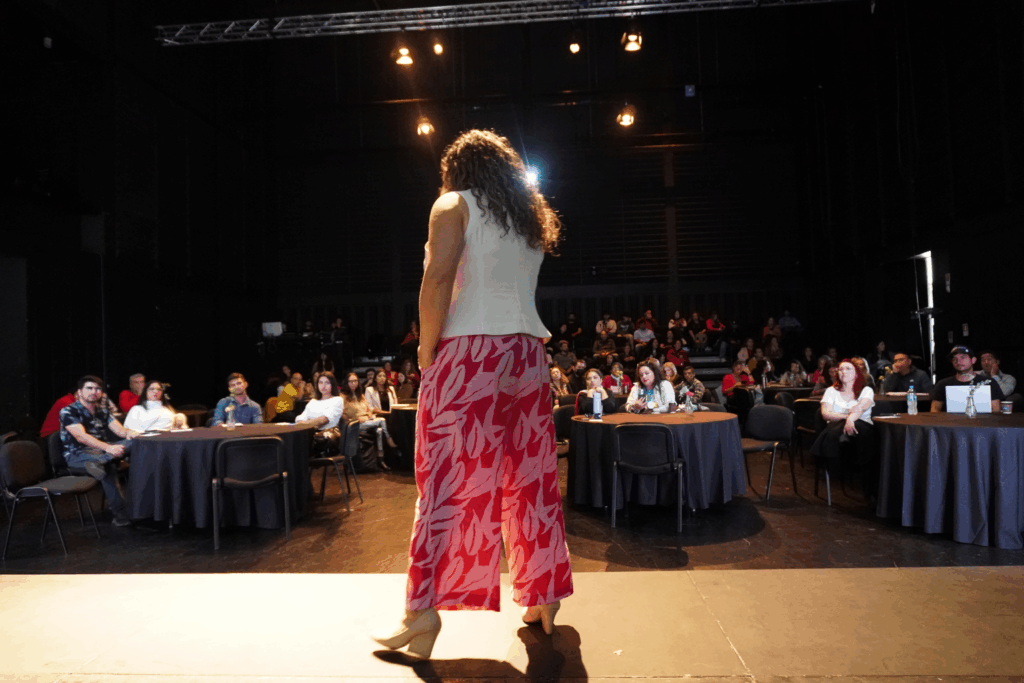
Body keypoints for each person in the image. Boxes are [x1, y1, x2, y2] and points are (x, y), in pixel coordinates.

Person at [374, 130, 572, 657]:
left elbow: (437, 282)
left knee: (445, 481)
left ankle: (421, 612)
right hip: (528, 356)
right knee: (531, 479)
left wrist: (424, 354)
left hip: (469, 355)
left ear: (455, 170)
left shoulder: (452, 204)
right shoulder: (527, 215)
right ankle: (543, 598)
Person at [59, 376, 137, 526]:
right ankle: (121, 515)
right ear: (80, 392)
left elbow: (120, 431)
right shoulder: (68, 411)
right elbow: (81, 437)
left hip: (100, 453)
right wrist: (108, 448)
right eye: (89, 388)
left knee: (135, 442)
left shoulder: (102, 410)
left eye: (98, 389)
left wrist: (129, 433)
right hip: (78, 454)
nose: (94, 392)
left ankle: (101, 462)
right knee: (109, 468)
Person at [811, 360, 876, 484]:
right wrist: (848, 417)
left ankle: (864, 476)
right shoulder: (831, 391)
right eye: (841, 369)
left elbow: (861, 408)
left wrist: (851, 419)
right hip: (836, 428)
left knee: (860, 429)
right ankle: (839, 468)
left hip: (862, 428)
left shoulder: (866, 390)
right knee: (838, 431)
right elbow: (826, 414)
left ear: (856, 374)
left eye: (848, 369)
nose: (843, 371)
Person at [340, 372, 398, 470]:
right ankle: (389, 440)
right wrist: (356, 419)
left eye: (355, 381)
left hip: (366, 422)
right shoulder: (343, 396)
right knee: (382, 420)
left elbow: (368, 409)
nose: (353, 383)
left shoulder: (360, 395)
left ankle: (381, 460)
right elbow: (341, 415)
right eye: (351, 381)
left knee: (379, 430)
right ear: (346, 383)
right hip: (354, 424)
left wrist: (368, 415)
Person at [931, 346, 1004, 413]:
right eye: (954, 359)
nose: (958, 362)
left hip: (982, 425)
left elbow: (996, 411)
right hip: (953, 425)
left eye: (963, 357)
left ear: (973, 360)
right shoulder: (943, 384)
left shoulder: (989, 382)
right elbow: (935, 410)